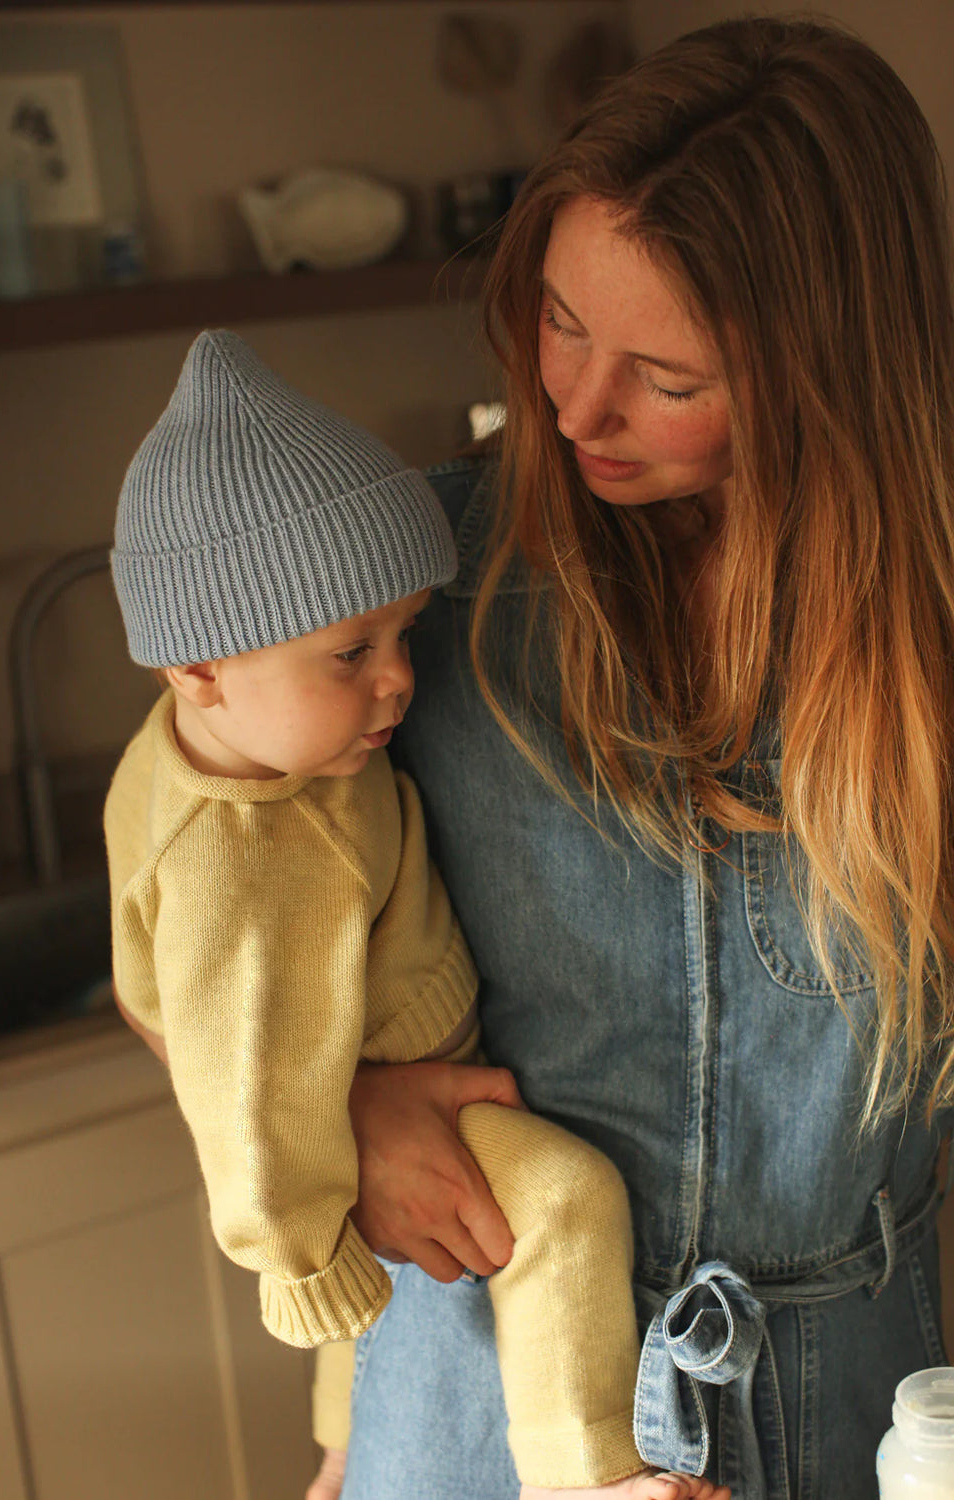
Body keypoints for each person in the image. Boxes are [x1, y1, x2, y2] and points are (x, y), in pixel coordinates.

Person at [331, 15, 954, 1500]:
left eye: (667, 376)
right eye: (558, 319)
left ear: (831, 374)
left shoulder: (926, 632)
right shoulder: (412, 583)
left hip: (864, 1408)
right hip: (481, 1408)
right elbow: (185, 905)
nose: (574, 406)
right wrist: (333, 1113)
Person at [105, 328, 728, 1500]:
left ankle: (342, 1452)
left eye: (404, 633)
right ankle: (580, 1474)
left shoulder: (244, 742)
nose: (396, 678)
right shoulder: (238, 863)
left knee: (371, 1272)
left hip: (366, 1066)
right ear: (198, 666)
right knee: (559, 1202)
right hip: (392, 1070)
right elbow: (245, 1090)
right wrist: (297, 1260)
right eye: (352, 652)